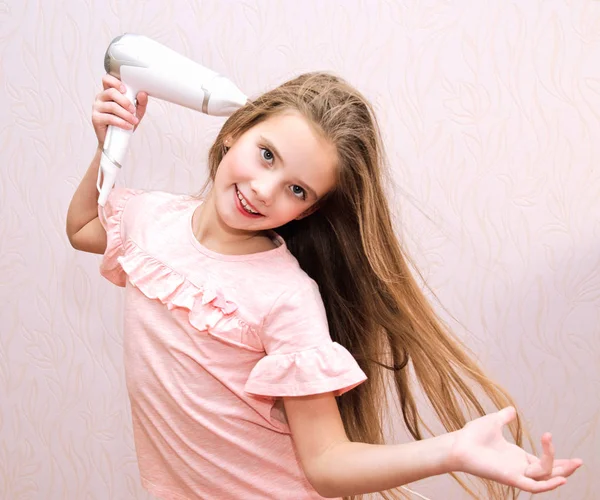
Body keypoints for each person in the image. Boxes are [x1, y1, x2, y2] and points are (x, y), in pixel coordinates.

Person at [66, 72, 582, 500]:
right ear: (236, 131)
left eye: (296, 189)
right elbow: (84, 228)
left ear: (308, 209)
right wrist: (108, 142)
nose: (263, 191)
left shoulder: (285, 298)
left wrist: (451, 451)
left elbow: (327, 463)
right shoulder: (151, 220)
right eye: (266, 154)